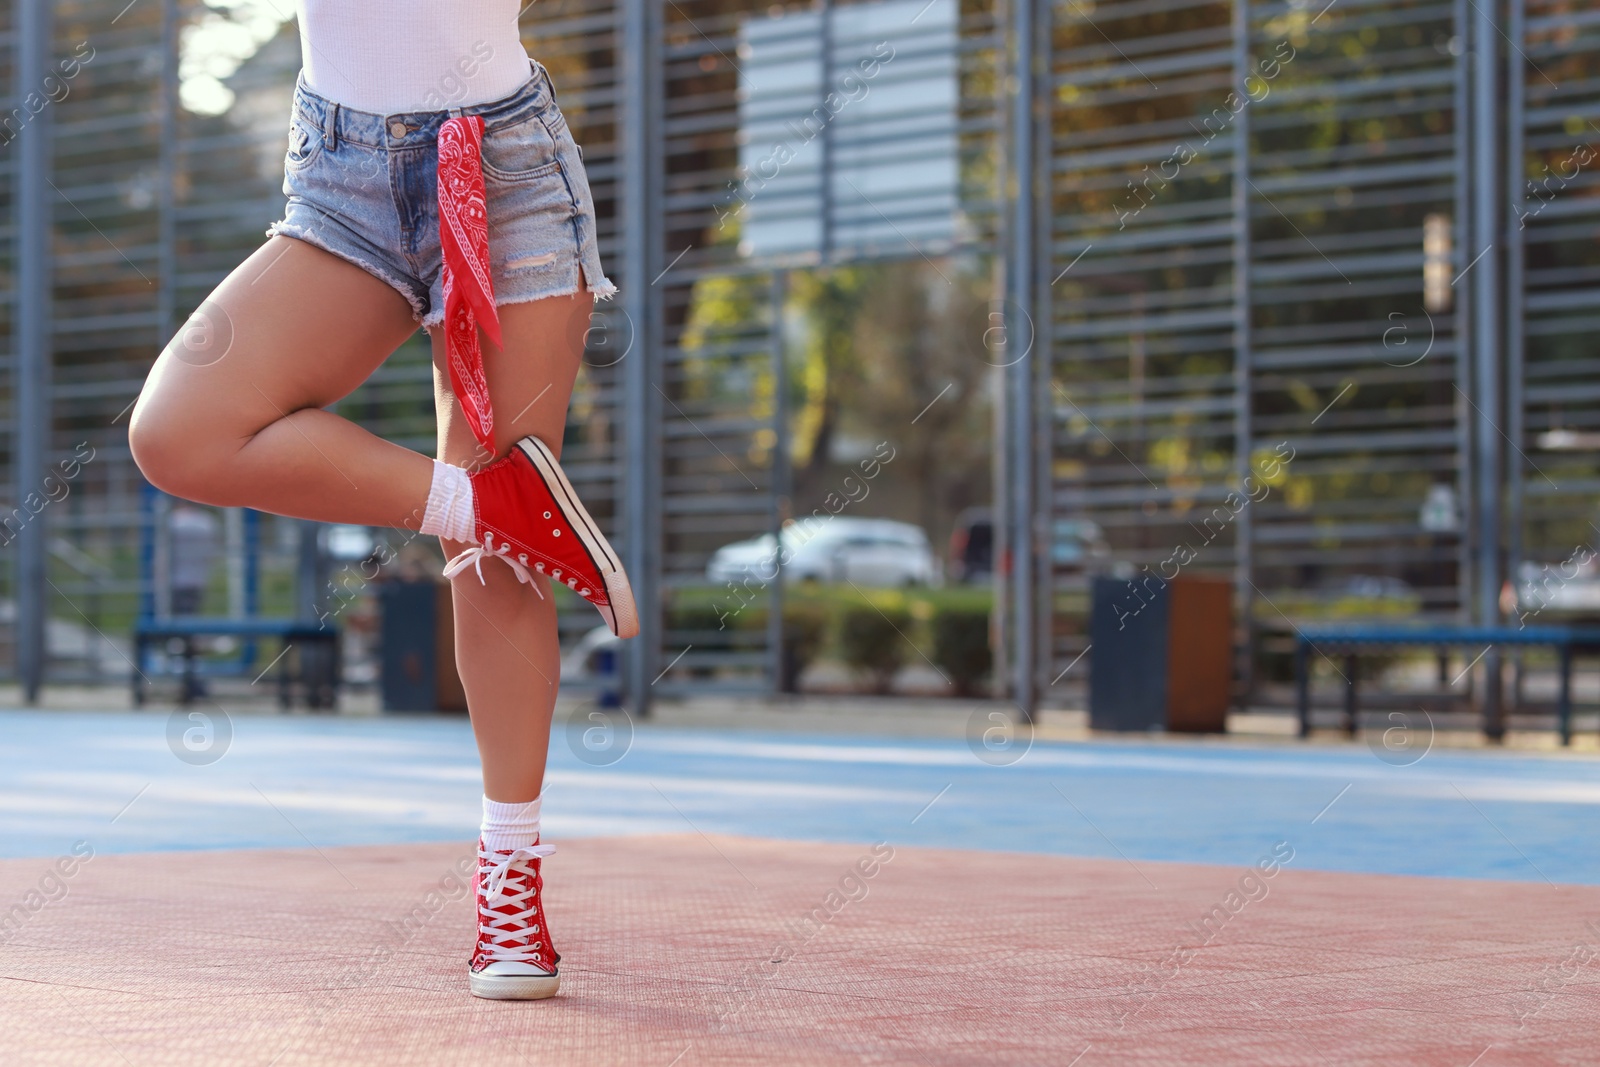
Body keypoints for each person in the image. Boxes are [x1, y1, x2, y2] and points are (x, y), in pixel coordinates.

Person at [128, 2, 637, 1001]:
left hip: (505, 164)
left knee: (491, 570)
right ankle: (489, 504)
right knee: (181, 428)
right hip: (339, 176)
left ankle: (510, 874)